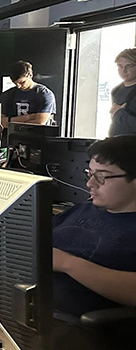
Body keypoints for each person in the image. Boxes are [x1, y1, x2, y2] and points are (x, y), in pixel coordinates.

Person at [52, 135, 136, 316]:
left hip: (78, 330)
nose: (90, 184)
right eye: (89, 174)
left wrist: (67, 263)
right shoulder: (82, 210)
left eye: (101, 177)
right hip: (19, 308)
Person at [0, 60, 56, 127]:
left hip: (38, 135)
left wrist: (11, 121)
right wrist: (29, 117)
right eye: (15, 83)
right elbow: (2, 122)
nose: (18, 86)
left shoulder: (45, 94)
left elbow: (40, 123)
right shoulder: (8, 95)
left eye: (22, 82)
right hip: (14, 136)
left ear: (30, 75)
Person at [110, 48, 136, 136]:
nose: (124, 71)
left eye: (130, 66)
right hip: (116, 144)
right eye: (120, 66)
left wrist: (118, 114)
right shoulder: (116, 90)